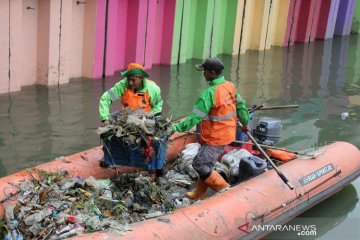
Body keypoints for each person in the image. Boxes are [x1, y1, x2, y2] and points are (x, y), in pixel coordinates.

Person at [170, 57, 249, 200]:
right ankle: (199, 194)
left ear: (212, 73)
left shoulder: (209, 94)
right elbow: (241, 106)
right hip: (226, 133)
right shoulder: (230, 86)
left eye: (205, 71)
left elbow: (195, 118)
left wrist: (176, 128)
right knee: (206, 163)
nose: (203, 74)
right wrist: (245, 124)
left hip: (215, 137)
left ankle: (226, 191)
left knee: (199, 164)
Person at [99, 63, 163, 125]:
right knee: (107, 126)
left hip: (145, 116)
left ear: (140, 78)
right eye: (128, 79)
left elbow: (158, 104)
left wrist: (155, 115)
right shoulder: (122, 86)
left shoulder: (153, 89)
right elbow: (105, 99)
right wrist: (105, 119)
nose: (130, 83)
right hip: (126, 115)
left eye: (133, 80)